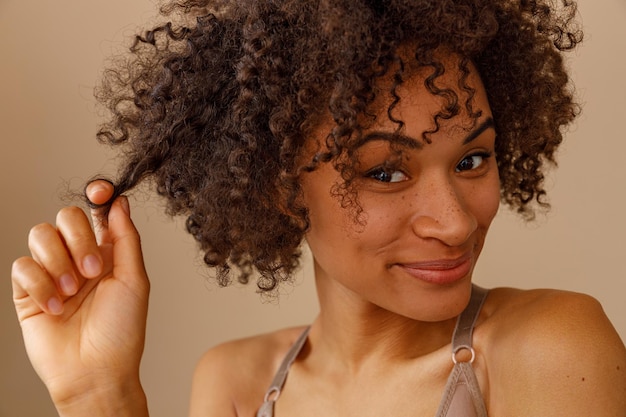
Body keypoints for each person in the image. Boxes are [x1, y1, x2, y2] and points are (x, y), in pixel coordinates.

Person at [10, 0, 626, 416]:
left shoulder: (548, 348)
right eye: (386, 171)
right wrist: (101, 393)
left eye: (472, 161)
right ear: (279, 188)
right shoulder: (235, 386)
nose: (457, 221)